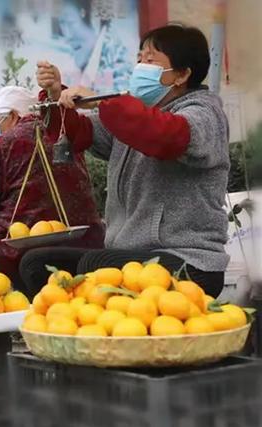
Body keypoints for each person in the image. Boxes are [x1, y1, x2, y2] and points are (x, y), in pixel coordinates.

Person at [21, 24, 229, 296]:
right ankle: (75, 328)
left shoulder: (204, 113)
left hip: (189, 259)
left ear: (182, 74)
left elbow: (167, 136)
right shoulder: (138, 114)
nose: (141, 66)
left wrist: (99, 101)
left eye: (151, 60)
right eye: (139, 58)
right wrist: (56, 93)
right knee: (37, 263)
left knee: (95, 265)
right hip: (129, 255)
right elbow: (83, 133)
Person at [0, 85, 105, 290]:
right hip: (87, 242)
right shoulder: (64, 131)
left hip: (24, 253)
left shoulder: (0, 146)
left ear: (13, 116)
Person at [55, 0, 133, 92]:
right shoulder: (72, 55)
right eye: (62, 23)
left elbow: (122, 100)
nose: (67, 34)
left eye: (71, 23)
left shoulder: (116, 54)